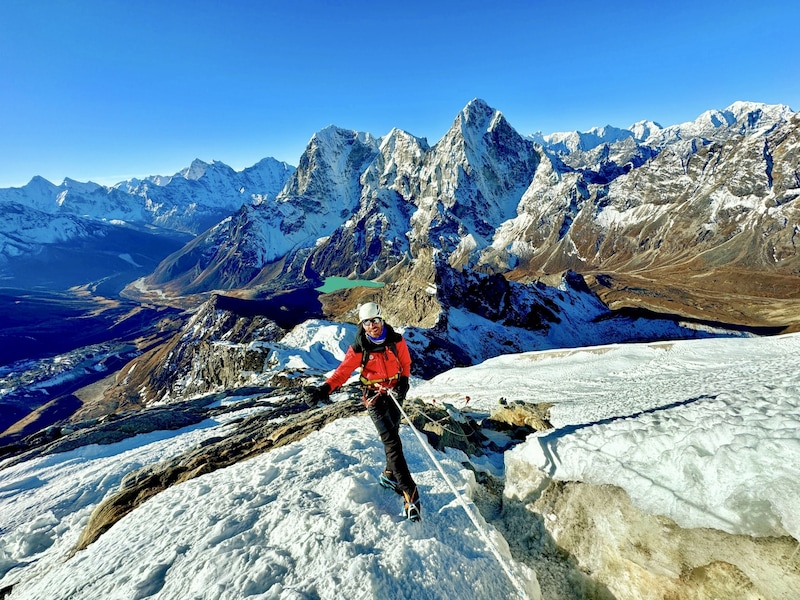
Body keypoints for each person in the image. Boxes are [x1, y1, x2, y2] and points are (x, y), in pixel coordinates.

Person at [308, 301, 420, 521]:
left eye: (375, 321)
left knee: (394, 434)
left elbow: (405, 363)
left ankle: (389, 476)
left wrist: (404, 381)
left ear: (382, 320)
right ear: (362, 324)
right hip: (375, 397)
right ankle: (411, 494)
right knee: (392, 443)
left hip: (394, 393)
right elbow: (342, 373)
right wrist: (325, 389)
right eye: (367, 322)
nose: (372, 326)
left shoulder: (396, 341)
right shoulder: (359, 348)